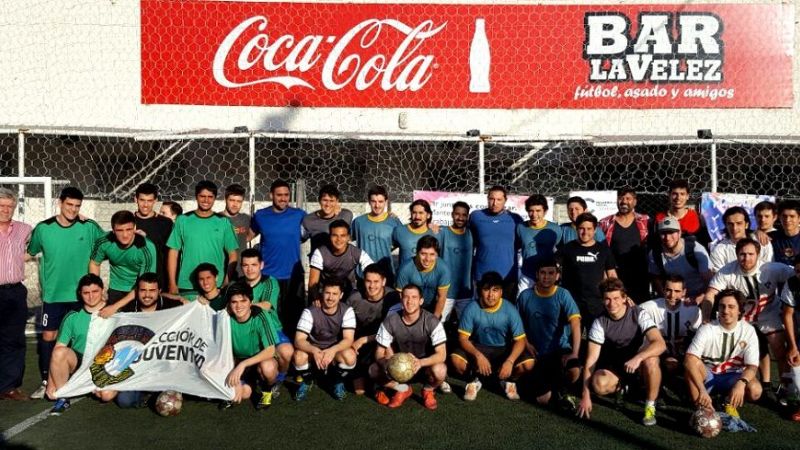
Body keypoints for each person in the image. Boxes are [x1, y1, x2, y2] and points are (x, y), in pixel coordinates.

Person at [27, 186, 104, 399]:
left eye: (77, 206)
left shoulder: (89, 227)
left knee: (83, 336)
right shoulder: (43, 228)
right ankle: (46, 380)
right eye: (69, 205)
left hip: (82, 296)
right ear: (60, 203)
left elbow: (109, 241)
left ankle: (82, 377)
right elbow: (29, 252)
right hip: (53, 296)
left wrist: (134, 231)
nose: (73, 209)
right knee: (50, 336)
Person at [704, 238, 794, 401]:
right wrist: (705, 318)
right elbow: (711, 293)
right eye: (742, 254)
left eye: (751, 254)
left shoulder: (771, 268)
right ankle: (728, 381)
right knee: (739, 349)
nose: (746, 258)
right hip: (742, 318)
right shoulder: (727, 271)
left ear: (758, 254)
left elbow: (796, 272)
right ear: (736, 254)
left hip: (768, 314)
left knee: (778, 347)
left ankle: (784, 388)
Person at [577, 278, 666, 426]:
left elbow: (660, 343)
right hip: (617, 366)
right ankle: (625, 387)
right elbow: (591, 361)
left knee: (651, 359)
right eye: (607, 299)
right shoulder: (599, 322)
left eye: (616, 298)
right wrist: (585, 395)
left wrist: (638, 358)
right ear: (602, 300)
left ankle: (650, 408)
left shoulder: (639, 314)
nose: (612, 304)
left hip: (640, 365)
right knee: (598, 383)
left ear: (624, 298)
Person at [100, 272, 182, 408]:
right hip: (138, 367)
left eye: (152, 291)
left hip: (164, 366)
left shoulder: (172, 306)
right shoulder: (128, 310)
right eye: (143, 290)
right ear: (137, 291)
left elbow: (191, 310)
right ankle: (147, 396)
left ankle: (164, 388)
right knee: (124, 401)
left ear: (159, 291)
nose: (147, 295)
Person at [452, 272, 534, 401]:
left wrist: (510, 361)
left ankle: (508, 380)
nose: (491, 295)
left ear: (501, 292)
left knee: (528, 363)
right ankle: (473, 381)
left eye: (495, 290)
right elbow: (462, 339)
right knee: (456, 359)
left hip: (503, 350)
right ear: (480, 291)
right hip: (479, 347)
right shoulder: (471, 308)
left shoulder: (510, 309)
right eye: (486, 290)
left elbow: (520, 341)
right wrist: (478, 355)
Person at [685, 289, 762, 419]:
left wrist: (741, 383)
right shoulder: (707, 329)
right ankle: (701, 409)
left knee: (755, 390)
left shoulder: (748, 331)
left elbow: (752, 367)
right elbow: (689, 360)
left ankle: (727, 401)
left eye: (731, 307)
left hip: (733, 376)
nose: (725, 311)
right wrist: (702, 390)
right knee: (691, 366)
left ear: (740, 310)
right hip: (708, 375)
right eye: (722, 306)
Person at [369, 284, 448, 410]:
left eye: (414, 297)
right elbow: (379, 352)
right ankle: (402, 389)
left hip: (423, 366)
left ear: (421, 301)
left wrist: (420, 363)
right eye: (406, 297)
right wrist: (387, 364)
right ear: (401, 299)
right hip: (399, 366)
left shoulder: (432, 321)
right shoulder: (391, 320)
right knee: (373, 370)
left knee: (440, 370)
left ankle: (428, 390)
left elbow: (442, 354)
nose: (410, 301)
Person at [516, 260, 582, 407]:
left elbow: (576, 323)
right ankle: (555, 390)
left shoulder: (563, 294)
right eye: (543, 273)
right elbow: (517, 326)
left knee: (574, 369)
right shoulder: (525, 296)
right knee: (543, 400)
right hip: (535, 352)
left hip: (559, 350)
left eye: (551, 273)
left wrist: (575, 353)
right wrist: (526, 343)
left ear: (557, 275)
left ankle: (563, 389)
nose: (547, 277)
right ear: (537, 275)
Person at [250, 179, 306, 336]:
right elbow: (247, 236)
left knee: (294, 319)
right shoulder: (260, 216)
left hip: (293, 276)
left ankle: (294, 355)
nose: (283, 198)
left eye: (286, 195)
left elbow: (316, 227)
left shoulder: (299, 215)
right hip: (269, 276)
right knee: (270, 317)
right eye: (279, 195)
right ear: (271, 195)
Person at [46, 274, 107, 415]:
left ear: (102, 290)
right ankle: (64, 397)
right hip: (80, 362)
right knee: (60, 352)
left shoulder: (113, 313)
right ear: (80, 294)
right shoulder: (72, 316)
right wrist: (51, 382)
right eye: (86, 293)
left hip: (104, 363)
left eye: (95, 292)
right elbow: (57, 350)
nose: (91, 297)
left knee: (104, 395)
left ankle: (91, 384)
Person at [166, 180, 239, 299]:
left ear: (215, 198)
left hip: (215, 287)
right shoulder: (183, 220)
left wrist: (226, 280)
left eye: (210, 197)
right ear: (196, 196)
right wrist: (172, 283)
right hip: (187, 286)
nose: (206, 200)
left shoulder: (223, 222)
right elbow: (173, 252)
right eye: (202, 196)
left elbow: (233, 255)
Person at [238, 248, 293, 394]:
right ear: (241, 266)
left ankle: (279, 378)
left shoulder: (269, 282)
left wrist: (240, 305)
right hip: (246, 331)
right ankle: (248, 376)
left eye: (254, 265)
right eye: (245, 265)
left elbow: (266, 306)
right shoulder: (236, 285)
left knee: (287, 352)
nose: (249, 269)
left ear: (261, 265)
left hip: (271, 328)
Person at [292, 278, 356, 401]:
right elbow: (299, 340)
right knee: (298, 356)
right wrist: (315, 350)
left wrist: (332, 350)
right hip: (314, 348)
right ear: (322, 292)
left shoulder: (347, 311)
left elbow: (348, 339)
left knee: (350, 356)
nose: (330, 298)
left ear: (341, 295)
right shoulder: (310, 311)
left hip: (335, 349)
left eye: (335, 294)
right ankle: (307, 381)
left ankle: (337, 381)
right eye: (327, 293)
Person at [223, 282, 281, 410]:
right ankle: (251, 383)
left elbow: (270, 350)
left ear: (251, 302)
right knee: (240, 395)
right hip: (237, 360)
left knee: (268, 368)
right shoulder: (224, 318)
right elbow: (222, 352)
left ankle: (268, 390)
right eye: (234, 302)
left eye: (243, 301)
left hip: (259, 359)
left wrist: (242, 365)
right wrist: (235, 375)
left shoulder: (260, 315)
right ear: (228, 304)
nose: (238, 306)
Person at [346, 264, 400, 395]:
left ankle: (387, 381)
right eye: (368, 281)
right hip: (358, 343)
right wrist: (353, 342)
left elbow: (393, 331)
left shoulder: (393, 298)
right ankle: (372, 379)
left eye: (376, 281)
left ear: (384, 281)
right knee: (359, 391)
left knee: (388, 349)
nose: (372, 286)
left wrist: (364, 339)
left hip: (382, 340)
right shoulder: (354, 298)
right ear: (363, 281)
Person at [558, 213, 617, 329]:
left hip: (596, 302)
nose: (585, 232)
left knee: (595, 336)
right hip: (572, 301)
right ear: (576, 229)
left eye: (589, 229)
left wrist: (619, 294)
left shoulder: (603, 249)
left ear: (595, 230)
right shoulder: (567, 248)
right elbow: (553, 267)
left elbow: (612, 274)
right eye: (581, 228)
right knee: (572, 338)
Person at [0, 188, 32, 400]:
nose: (6, 210)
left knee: (14, 339)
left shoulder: (24, 229)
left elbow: (47, 236)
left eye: (9, 206)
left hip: (15, 292)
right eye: (1, 206)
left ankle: (9, 386)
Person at [89, 210, 157, 306]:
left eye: (129, 229)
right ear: (113, 230)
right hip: (115, 288)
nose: (125, 235)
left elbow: (145, 284)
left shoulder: (147, 248)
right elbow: (94, 263)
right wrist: (97, 290)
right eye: (120, 230)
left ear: (135, 228)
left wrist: (115, 307)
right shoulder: (104, 242)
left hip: (138, 290)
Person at [639, 275, 702, 378]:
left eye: (677, 291)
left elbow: (699, 337)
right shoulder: (649, 307)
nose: (672, 295)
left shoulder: (693, 310)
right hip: (657, 355)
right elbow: (631, 314)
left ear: (684, 292)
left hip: (683, 356)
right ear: (663, 290)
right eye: (668, 290)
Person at [469, 186, 523, 301]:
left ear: (505, 200)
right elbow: (463, 234)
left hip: (508, 276)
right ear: (487, 199)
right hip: (482, 275)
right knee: (483, 313)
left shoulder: (515, 219)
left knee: (506, 313)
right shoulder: (476, 216)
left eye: (499, 199)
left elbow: (520, 244)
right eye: (492, 199)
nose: (495, 203)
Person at [599, 187, 650, 303]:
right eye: (621, 198)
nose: (624, 201)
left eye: (628, 198)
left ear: (635, 201)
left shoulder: (645, 221)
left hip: (640, 277)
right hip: (616, 277)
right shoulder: (605, 223)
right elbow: (600, 251)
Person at [647, 216, 711, 304]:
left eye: (671, 233)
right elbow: (656, 279)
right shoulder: (655, 254)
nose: (667, 238)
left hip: (698, 297)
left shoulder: (695, 250)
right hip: (673, 300)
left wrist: (701, 297)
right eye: (663, 233)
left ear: (679, 233)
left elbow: (709, 279)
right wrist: (665, 298)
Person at [308, 219, 373, 301]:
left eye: (343, 236)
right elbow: (312, 282)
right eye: (335, 235)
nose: (339, 239)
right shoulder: (319, 253)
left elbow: (373, 272)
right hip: (326, 293)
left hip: (348, 292)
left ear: (348, 237)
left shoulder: (357, 253)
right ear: (330, 236)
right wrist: (316, 299)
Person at [351, 186, 403, 282]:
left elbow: (403, 242)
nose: (377, 205)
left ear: (386, 202)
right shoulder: (358, 222)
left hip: (386, 273)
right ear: (369, 202)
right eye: (373, 201)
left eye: (380, 201)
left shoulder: (394, 221)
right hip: (363, 273)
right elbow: (345, 240)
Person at [395, 235, 451, 320]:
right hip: (410, 306)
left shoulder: (443, 269)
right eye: (423, 254)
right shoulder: (405, 269)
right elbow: (401, 297)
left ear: (437, 255)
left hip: (432, 307)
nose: (427, 259)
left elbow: (441, 297)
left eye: (432, 254)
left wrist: (434, 320)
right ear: (417, 252)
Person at [517, 194, 562, 292]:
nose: (534, 214)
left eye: (538, 211)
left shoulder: (555, 229)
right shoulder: (521, 228)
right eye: (531, 211)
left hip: (548, 277)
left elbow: (560, 251)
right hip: (527, 276)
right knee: (522, 303)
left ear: (545, 211)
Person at [132, 183, 173, 288]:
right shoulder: (128, 222)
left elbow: (171, 254)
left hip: (158, 280)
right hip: (132, 282)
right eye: (142, 200)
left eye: (149, 201)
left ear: (155, 201)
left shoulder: (166, 223)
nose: (146, 205)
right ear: (135, 200)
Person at [437, 201, 473, 319]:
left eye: (464, 215)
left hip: (465, 292)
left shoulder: (472, 234)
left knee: (466, 327)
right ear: (452, 215)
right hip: (445, 292)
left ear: (467, 216)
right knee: (438, 325)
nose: (460, 218)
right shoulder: (442, 232)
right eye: (457, 214)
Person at [709, 206, 773, 272]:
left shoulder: (762, 242)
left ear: (746, 225)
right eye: (730, 224)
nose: (734, 228)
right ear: (726, 225)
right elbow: (718, 278)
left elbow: (769, 270)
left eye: (739, 223)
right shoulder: (719, 251)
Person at [652, 179, 709, 246]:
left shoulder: (697, 217)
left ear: (687, 196)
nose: (678, 197)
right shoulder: (660, 218)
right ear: (669, 195)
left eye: (682, 194)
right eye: (674, 194)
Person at [302, 184, 353, 257]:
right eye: (325, 200)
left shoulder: (346, 216)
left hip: (341, 264)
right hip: (318, 265)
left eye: (331, 201)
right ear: (319, 200)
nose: (328, 204)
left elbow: (350, 237)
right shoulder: (308, 220)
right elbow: (299, 239)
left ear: (337, 201)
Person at [392, 199, 437, 267]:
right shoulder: (399, 231)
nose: (417, 216)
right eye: (414, 212)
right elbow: (385, 249)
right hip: (404, 276)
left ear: (428, 215)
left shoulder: (435, 233)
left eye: (421, 213)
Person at [221, 184, 251, 277]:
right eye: (232, 200)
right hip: (221, 270)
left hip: (241, 272)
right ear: (225, 199)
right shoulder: (216, 219)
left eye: (239, 201)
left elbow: (254, 232)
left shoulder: (247, 219)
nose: (235, 204)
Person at [772, 200, 800, 266]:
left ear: (799, 218)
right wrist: (758, 232)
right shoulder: (772, 237)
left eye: (792, 216)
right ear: (779, 217)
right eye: (784, 216)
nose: (787, 220)